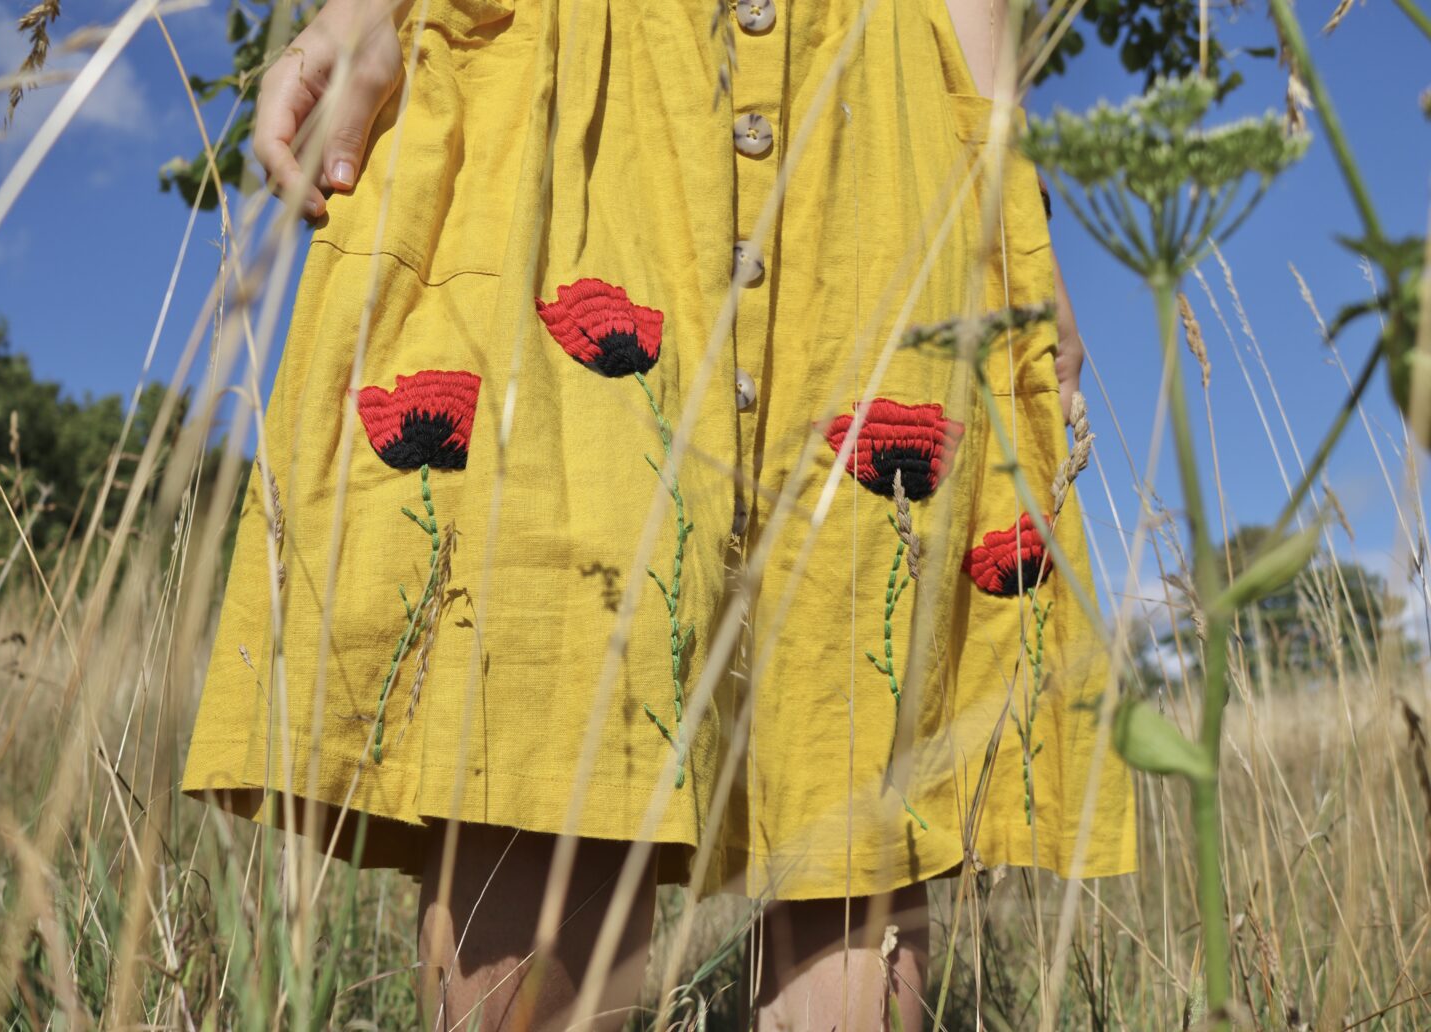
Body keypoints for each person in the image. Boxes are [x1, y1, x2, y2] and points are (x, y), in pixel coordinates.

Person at [180, 0, 1137, 1026]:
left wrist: (1007, 178)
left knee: (856, 718)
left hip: (879, 96)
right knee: (547, 687)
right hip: (572, 71)